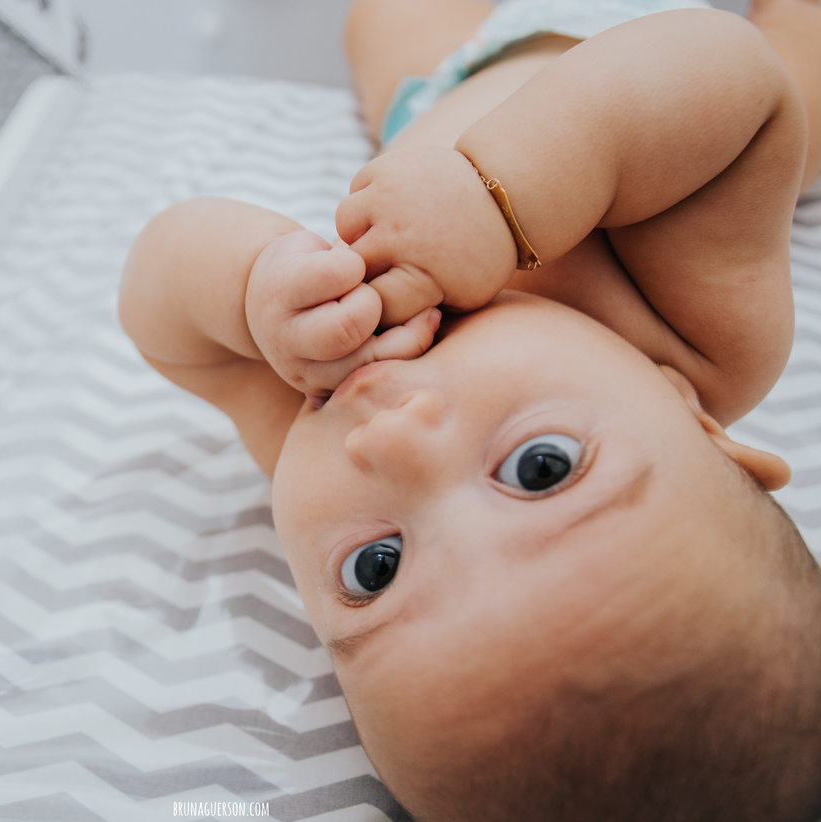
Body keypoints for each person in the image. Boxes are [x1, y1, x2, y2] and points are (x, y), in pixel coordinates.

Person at [118, 0, 821, 818]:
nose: (394, 442)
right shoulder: (695, 337)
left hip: (441, 88)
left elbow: (159, 316)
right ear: (703, 430)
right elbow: (732, 79)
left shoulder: (309, 419)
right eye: (540, 468)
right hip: (634, 46)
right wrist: (503, 201)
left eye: (376, 568)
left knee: (378, 18)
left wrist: (250, 288)